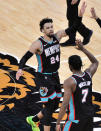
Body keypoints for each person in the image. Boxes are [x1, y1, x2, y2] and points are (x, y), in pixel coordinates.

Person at [15, 2, 87, 131]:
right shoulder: (38, 44)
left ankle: (34, 120)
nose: (51, 29)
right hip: (43, 77)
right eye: (48, 28)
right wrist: (20, 68)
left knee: (54, 105)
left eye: (52, 27)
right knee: (49, 107)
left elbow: (73, 28)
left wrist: (80, 15)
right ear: (42, 30)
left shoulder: (57, 36)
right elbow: (25, 57)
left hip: (55, 75)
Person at [56, 39, 99, 131]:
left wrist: (58, 122)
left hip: (75, 119)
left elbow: (64, 104)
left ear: (70, 66)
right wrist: (83, 49)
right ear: (81, 64)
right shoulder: (88, 74)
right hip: (89, 117)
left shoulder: (70, 81)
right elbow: (95, 62)